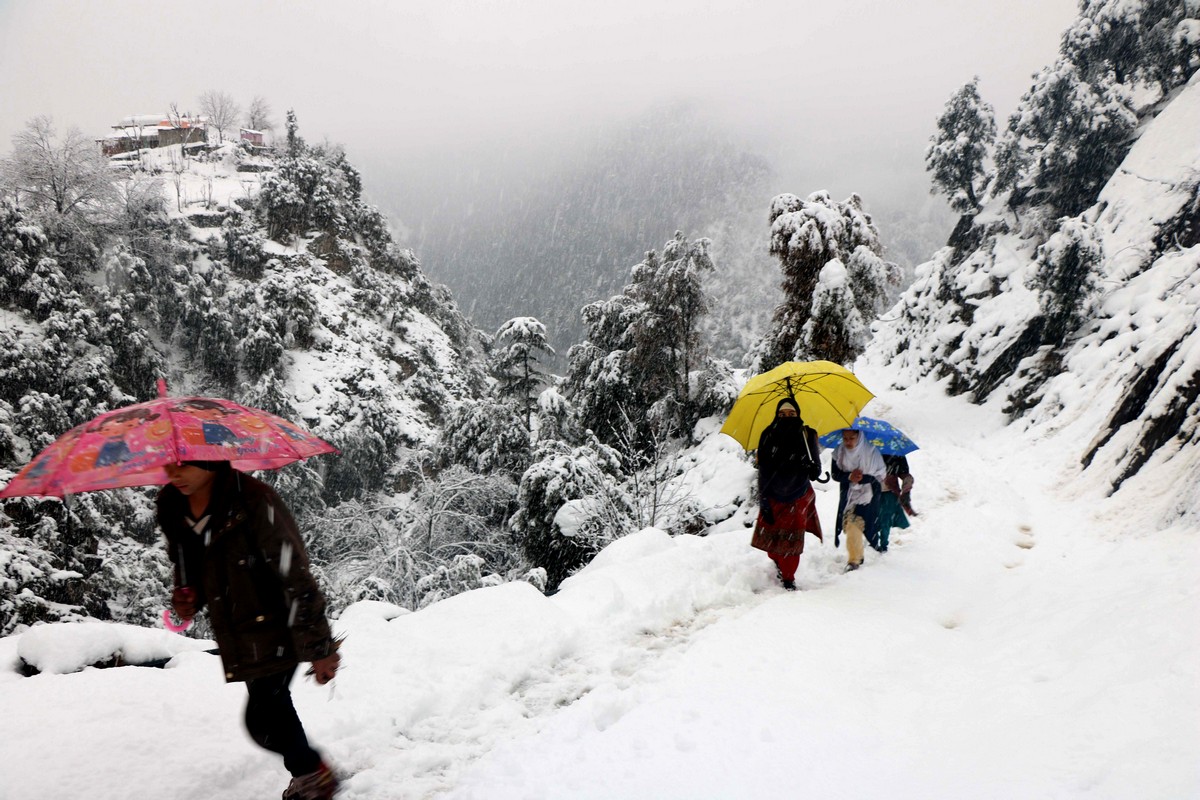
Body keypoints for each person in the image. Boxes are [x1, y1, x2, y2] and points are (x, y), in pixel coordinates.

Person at [158, 460, 342, 800]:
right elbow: (191, 564)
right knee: (265, 717)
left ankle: (313, 776)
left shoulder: (255, 501)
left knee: (265, 716)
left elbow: (295, 574)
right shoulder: (173, 505)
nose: (175, 474)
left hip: (280, 621)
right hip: (238, 629)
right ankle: (313, 773)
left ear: (210, 461)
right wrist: (188, 592)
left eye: (184, 465)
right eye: (169, 465)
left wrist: (321, 648)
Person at [751, 398, 823, 590]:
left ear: (798, 414)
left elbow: (816, 471)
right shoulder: (767, 435)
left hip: (797, 494)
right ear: (777, 415)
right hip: (773, 493)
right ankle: (778, 563)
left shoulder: (807, 435)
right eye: (782, 415)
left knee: (792, 542)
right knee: (773, 539)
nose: (787, 418)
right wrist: (764, 500)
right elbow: (763, 470)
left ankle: (789, 578)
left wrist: (811, 466)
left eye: (791, 414)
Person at [831, 426, 886, 571]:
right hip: (849, 496)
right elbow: (835, 474)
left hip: (869, 496)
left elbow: (880, 475)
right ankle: (855, 558)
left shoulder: (871, 452)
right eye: (845, 438)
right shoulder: (839, 452)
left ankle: (857, 558)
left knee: (865, 525)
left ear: (859, 436)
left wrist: (863, 478)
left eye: (852, 438)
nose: (848, 442)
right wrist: (849, 476)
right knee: (851, 524)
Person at [877, 454, 914, 551]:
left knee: (886, 519)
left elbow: (905, 474)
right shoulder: (868, 451)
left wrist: (906, 491)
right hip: (870, 491)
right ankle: (874, 541)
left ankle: (883, 544)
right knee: (873, 518)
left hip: (889, 492)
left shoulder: (897, 455)